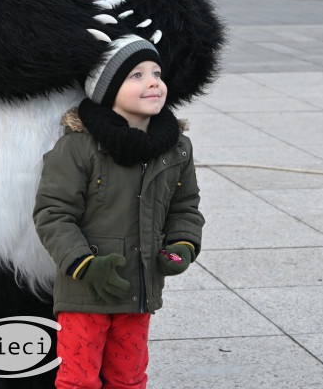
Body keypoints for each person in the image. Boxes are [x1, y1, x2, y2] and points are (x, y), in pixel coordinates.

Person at [33, 35, 204, 389]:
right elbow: (53, 212)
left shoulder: (176, 149)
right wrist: (83, 264)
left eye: (156, 72)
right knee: (78, 379)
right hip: (85, 293)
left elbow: (185, 206)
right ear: (108, 90)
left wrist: (183, 244)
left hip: (138, 290)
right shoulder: (78, 147)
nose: (154, 81)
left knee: (128, 378)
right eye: (136, 75)